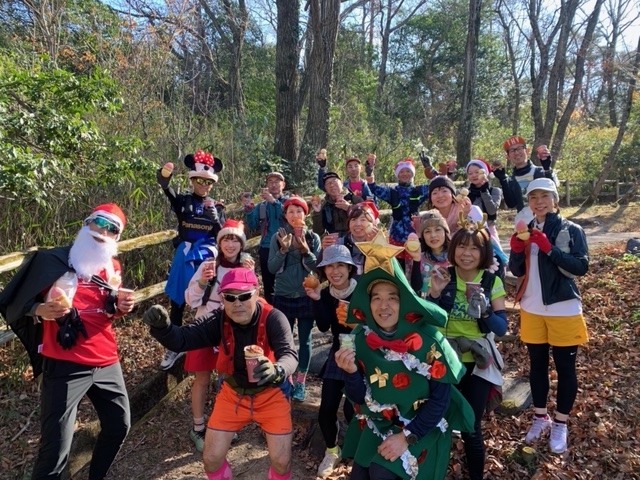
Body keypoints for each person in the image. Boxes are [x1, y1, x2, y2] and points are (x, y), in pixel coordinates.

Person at [0, 203, 135, 480]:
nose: (103, 231)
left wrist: (121, 306)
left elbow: (108, 310)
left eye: (112, 229)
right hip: (64, 363)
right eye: (100, 222)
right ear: (87, 223)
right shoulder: (52, 260)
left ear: (117, 237)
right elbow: (15, 299)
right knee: (55, 451)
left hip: (106, 360)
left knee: (119, 426)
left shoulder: (112, 267)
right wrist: (38, 309)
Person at [333, 232, 474, 480]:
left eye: (392, 298)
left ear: (405, 301)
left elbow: (440, 401)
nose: (383, 306)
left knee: (381, 474)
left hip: (422, 427)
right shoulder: (360, 338)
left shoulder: (429, 341)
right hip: (379, 423)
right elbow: (358, 397)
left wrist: (406, 437)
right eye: (376, 298)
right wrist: (351, 372)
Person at [141, 268, 298, 480]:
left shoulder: (274, 318)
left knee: (281, 461)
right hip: (233, 394)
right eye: (230, 297)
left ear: (256, 292)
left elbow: (289, 355)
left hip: (271, 394)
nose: (237, 303)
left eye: (244, 296)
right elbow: (182, 339)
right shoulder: (218, 319)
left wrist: (277, 369)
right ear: (222, 298)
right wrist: (163, 328)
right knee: (211, 458)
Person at [508, 178, 589, 454]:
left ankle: (561, 423)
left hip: (563, 308)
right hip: (531, 308)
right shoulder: (526, 230)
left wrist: (549, 248)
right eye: (533, 197)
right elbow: (517, 270)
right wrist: (516, 251)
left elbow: (581, 266)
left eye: (544, 196)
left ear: (555, 199)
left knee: (565, 369)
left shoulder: (571, 229)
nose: (539, 202)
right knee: (537, 366)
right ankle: (540, 417)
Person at [425, 222, 508, 480]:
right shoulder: (443, 275)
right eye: (461, 246)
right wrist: (435, 294)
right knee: (436, 421)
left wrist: (486, 311)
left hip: (477, 361)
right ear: (453, 249)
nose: (467, 253)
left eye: (475, 248)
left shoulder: (491, 281)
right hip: (445, 357)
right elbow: (427, 319)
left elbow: (501, 327)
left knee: (471, 427)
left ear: (484, 253)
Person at [183, 219, 254, 451]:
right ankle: (198, 427)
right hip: (205, 327)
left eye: (235, 240)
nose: (230, 244)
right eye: (226, 239)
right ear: (219, 243)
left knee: (227, 378)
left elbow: (253, 300)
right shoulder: (209, 265)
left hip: (232, 330)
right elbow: (191, 299)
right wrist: (203, 281)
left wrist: (249, 274)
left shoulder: (245, 266)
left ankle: (222, 422)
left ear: (241, 244)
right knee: (202, 379)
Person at [157, 150, 224, 370]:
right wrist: (164, 178)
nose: (204, 185)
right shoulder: (183, 201)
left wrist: (216, 220)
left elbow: (223, 237)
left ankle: (206, 342)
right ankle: (175, 345)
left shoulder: (216, 206)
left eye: (208, 182)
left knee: (205, 299)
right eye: (199, 180)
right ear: (192, 180)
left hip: (206, 256)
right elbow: (167, 189)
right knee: (177, 301)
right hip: (184, 253)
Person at [303, 245, 358, 477]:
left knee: (353, 409)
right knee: (326, 409)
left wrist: (357, 321)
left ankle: (358, 453)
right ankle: (332, 451)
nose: (335, 271)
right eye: (330, 266)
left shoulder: (363, 289)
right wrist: (317, 299)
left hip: (364, 353)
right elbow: (324, 326)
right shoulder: (326, 294)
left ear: (349, 268)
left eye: (340, 265)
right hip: (338, 351)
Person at [268, 196, 321, 401]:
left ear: (305, 214)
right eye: (290, 211)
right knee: (284, 339)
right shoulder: (278, 237)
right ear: (285, 215)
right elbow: (272, 268)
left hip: (306, 293)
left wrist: (306, 251)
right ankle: (286, 378)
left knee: (305, 340)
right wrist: (283, 250)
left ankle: (301, 381)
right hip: (283, 293)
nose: (295, 215)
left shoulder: (313, 237)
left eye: (299, 211)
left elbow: (318, 268)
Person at [365, 156, 430, 269]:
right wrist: (369, 172)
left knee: (414, 266)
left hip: (414, 234)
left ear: (412, 173)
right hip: (396, 235)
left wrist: (428, 168)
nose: (405, 174)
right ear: (397, 175)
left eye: (408, 171)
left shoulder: (419, 190)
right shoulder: (392, 192)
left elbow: (437, 185)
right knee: (397, 267)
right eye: (401, 171)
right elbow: (374, 188)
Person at [243, 172, 289, 304]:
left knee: (287, 281)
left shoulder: (289, 202)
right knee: (269, 285)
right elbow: (252, 225)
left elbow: (288, 216)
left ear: (283, 184)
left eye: (277, 182)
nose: (273, 185)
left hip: (286, 247)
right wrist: (248, 207)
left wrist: (273, 202)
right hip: (266, 248)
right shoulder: (262, 206)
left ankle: (287, 311)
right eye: (270, 182)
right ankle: (271, 311)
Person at [493, 135, 557, 225]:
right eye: (512, 150)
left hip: (547, 221)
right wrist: (503, 179)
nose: (516, 153)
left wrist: (547, 169)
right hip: (523, 224)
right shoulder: (510, 180)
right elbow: (511, 204)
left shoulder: (540, 172)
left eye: (519, 148)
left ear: (526, 150)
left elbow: (554, 194)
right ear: (507, 156)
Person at [318, 201, 379, 275]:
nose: (357, 224)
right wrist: (325, 251)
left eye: (363, 220)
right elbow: (321, 273)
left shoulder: (380, 245)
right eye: (353, 220)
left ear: (373, 225)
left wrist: (372, 247)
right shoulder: (338, 243)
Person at [406, 210, 451, 297]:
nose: (433, 235)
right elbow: (416, 288)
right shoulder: (420, 258)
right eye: (427, 231)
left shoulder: (455, 258)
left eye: (437, 229)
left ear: (445, 232)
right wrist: (416, 259)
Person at [312, 171, 364, 235]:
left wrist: (349, 208)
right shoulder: (324, 206)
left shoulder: (355, 199)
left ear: (341, 183)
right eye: (328, 183)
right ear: (325, 188)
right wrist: (317, 213)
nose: (331, 185)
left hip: (355, 237)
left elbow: (368, 219)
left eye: (334, 181)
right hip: (334, 239)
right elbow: (318, 232)